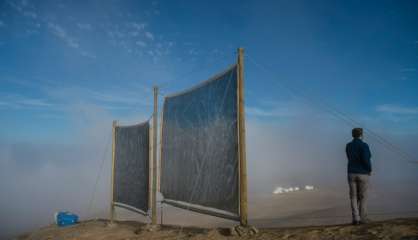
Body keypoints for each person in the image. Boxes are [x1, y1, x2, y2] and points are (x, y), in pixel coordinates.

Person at [345, 128, 372, 225]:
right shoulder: (364, 145)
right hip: (363, 173)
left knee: (353, 197)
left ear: (353, 135)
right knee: (363, 196)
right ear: (361, 135)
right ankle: (363, 218)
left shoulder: (348, 145)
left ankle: (356, 219)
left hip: (351, 173)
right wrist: (369, 169)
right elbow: (366, 159)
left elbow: (349, 157)